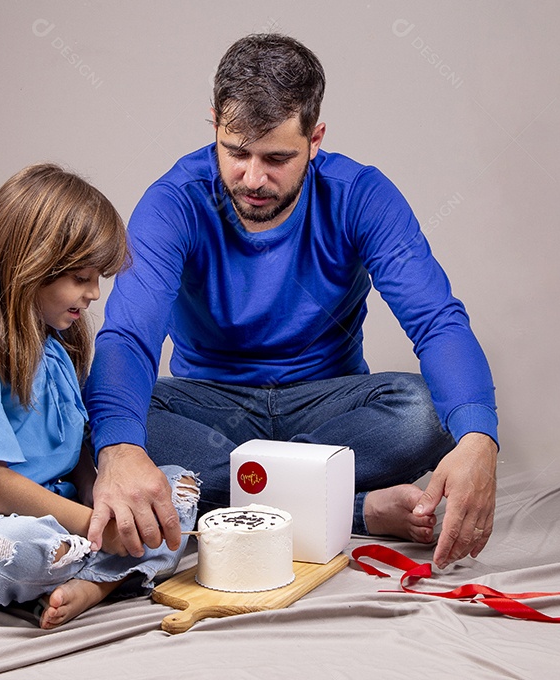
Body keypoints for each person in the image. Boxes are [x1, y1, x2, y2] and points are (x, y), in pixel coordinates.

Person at [84, 34, 498, 569]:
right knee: (101, 424)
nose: (253, 178)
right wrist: (118, 450)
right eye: (236, 153)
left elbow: (437, 322)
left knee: (430, 413)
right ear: (214, 126)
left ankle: (242, 495)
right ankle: (351, 509)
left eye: (277, 158)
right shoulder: (173, 202)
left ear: (315, 138)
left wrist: (480, 439)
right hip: (209, 405)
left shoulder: (361, 195)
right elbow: (128, 338)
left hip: (328, 403)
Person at [0, 164, 198, 629]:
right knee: (26, 546)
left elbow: (78, 448)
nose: (94, 293)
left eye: (98, 277)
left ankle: (92, 583)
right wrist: (91, 525)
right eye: (81, 277)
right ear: (31, 263)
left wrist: (100, 500)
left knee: (174, 489)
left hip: (63, 512)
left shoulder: (55, 343)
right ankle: (109, 573)